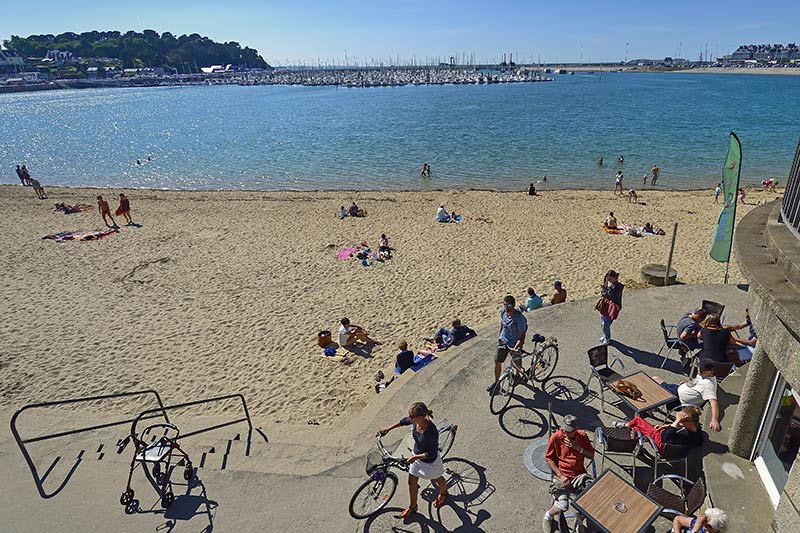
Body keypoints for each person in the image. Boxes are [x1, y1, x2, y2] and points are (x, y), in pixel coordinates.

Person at [378, 402, 448, 519]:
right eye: (410, 416)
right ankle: (413, 506)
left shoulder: (432, 431)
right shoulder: (415, 421)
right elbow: (403, 421)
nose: (410, 418)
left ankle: (444, 493)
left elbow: (431, 454)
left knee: (438, 479)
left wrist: (415, 457)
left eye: (412, 417)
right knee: (412, 483)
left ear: (421, 417)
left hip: (429, 462)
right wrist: (388, 429)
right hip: (417, 456)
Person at [542, 414, 595, 533]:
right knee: (562, 505)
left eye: (569, 432)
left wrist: (577, 448)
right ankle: (548, 516)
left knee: (590, 500)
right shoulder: (556, 437)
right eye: (564, 430)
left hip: (579, 476)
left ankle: (579, 522)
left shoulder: (582, 436)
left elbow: (591, 455)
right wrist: (560, 476)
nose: (566, 433)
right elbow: (548, 459)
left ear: (576, 430)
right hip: (562, 476)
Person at [654, 358, 722, 432]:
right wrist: (687, 383)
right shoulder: (703, 374)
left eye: (703, 369)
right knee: (656, 380)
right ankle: (652, 404)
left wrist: (714, 420)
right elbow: (696, 382)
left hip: (678, 399)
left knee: (656, 384)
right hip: (679, 389)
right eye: (699, 368)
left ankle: (650, 407)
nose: (699, 370)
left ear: (711, 371)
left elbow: (714, 403)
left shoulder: (708, 385)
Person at [618, 406, 703, 453]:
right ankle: (636, 443)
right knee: (638, 428)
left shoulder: (687, 435)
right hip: (668, 441)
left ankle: (626, 426)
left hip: (662, 444)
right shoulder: (696, 429)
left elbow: (665, 438)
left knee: (637, 420)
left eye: (681, 421)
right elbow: (679, 428)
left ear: (691, 423)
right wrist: (665, 426)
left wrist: (677, 421)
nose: (679, 422)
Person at [489, 295, 527, 392]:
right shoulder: (503, 312)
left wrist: (515, 347)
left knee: (517, 361)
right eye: (504, 305)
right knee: (497, 361)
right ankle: (496, 383)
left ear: (513, 305)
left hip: (515, 343)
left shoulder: (519, 318)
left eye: (508, 305)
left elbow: (522, 336)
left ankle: (517, 376)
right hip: (503, 341)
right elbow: (502, 323)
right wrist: (500, 335)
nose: (506, 307)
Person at [599, 270, 623, 345]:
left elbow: (614, 298)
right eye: (607, 278)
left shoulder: (619, 287)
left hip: (612, 307)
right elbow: (603, 294)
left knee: (606, 324)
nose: (609, 280)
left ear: (615, 278)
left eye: (610, 279)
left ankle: (607, 338)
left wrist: (610, 289)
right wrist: (605, 289)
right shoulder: (606, 283)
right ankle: (605, 335)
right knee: (603, 323)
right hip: (605, 305)